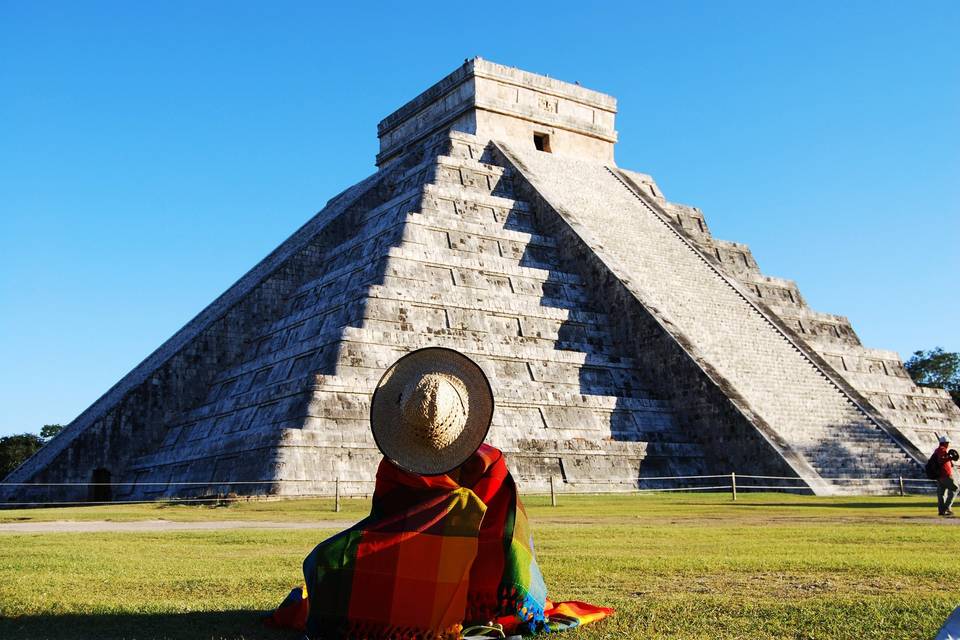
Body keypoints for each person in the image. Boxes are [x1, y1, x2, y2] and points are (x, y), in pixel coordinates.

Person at [268, 347, 612, 639]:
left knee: (325, 562)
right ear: (464, 414)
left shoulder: (395, 466)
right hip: (486, 591)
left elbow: (383, 527)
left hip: (419, 585)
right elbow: (506, 537)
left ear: (402, 421)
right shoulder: (491, 464)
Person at [933, 435, 957, 517]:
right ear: (945, 443)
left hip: (939, 475)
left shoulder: (937, 450)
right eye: (947, 443)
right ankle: (946, 507)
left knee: (941, 494)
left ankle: (941, 511)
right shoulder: (942, 450)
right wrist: (949, 458)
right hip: (945, 475)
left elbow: (944, 461)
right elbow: (941, 460)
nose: (948, 444)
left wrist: (950, 460)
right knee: (955, 489)